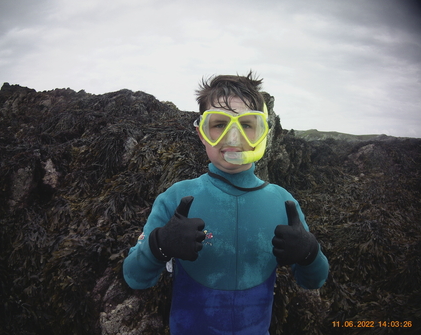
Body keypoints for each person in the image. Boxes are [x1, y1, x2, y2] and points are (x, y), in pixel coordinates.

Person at [123, 71, 329, 334]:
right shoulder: (176, 198)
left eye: (247, 124)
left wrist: (310, 252)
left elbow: (315, 280)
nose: (232, 139)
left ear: (263, 132)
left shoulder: (284, 203)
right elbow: (135, 278)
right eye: (219, 124)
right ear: (201, 133)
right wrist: (159, 244)